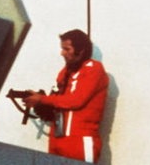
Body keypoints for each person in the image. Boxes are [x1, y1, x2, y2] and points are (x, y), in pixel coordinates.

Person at [23, 29, 109, 163]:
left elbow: (76, 100)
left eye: (66, 49)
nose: (62, 53)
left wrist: (43, 99)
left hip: (79, 141)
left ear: (81, 50)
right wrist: (39, 103)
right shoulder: (64, 72)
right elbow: (57, 101)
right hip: (56, 140)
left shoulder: (94, 69)